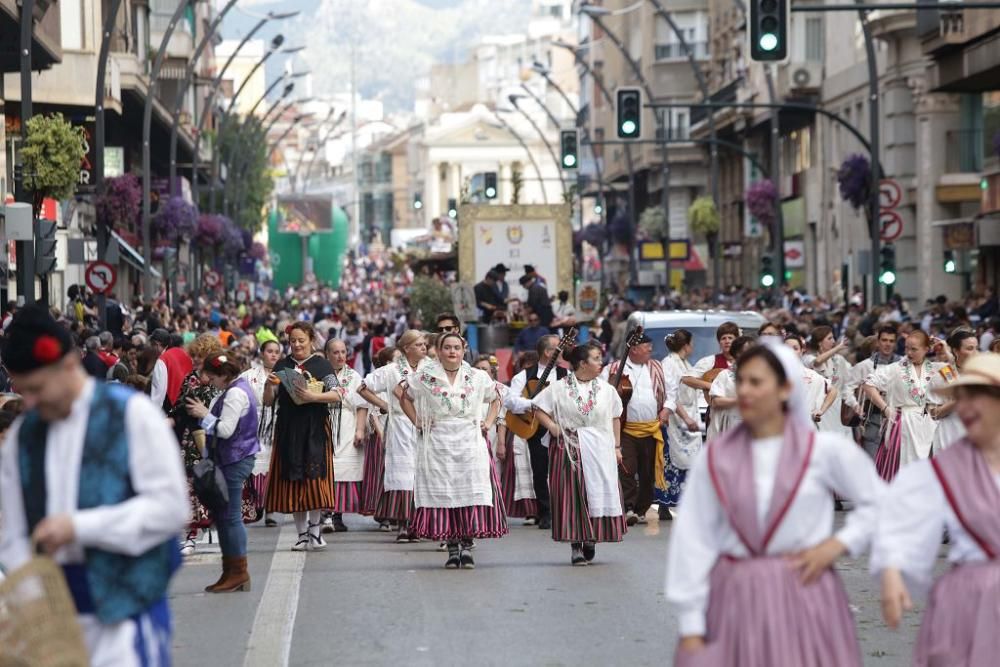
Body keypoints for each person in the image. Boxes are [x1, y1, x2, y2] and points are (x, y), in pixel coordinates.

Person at [665, 342, 884, 666]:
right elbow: (692, 538)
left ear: (784, 389)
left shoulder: (821, 451)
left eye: (757, 382)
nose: (745, 391)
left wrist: (838, 544)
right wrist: (692, 622)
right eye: (741, 381)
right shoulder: (718, 455)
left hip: (805, 588)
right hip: (736, 592)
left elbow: (878, 502)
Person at [0, 305, 188, 664]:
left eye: (37, 389)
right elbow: (14, 535)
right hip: (54, 623)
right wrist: (29, 607)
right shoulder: (24, 437)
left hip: (125, 618)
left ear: (69, 365)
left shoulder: (132, 415)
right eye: (24, 391)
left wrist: (80, 527)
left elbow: (171, 508)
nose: (31, 402)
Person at [873, 352, 1000, 666]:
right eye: (963, 398)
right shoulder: (943, 468)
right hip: (969, 592)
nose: (967, 407)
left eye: (978, 398)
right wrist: (891, 574)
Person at [399, 333, 508, 569]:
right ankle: (451, 547)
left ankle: (467, 547)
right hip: (438, 442)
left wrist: (488, 423)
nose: (452, 352)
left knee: (468, 492)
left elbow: (496, 397)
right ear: (438, 351)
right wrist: (417, 421)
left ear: (463, 350)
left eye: (456, 348)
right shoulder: (425, 377)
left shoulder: (477, 376)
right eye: (447, 347)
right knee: (445, 494)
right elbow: (404, 397)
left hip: (469, 440)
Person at [532, 342, 627, 566]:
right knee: (572, 494)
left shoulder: (607, 389)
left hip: (600, 446)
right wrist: (553, 427)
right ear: (582, 363)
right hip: (570, 446)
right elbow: (537, 408)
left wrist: (616, 447)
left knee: (597, 492)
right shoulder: (559, 387)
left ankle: (591, 536)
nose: (600, 362)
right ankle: (575, 544)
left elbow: (615, 417)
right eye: (596, 358)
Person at [263, 322, 342, 552]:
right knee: (294, 479)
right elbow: (269, 400)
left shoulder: (322, 364)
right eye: (293, 341)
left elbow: (337, 394)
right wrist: (269, 387)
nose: (297, 345)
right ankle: (300, 534)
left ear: (311, 341)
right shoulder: (282, 364)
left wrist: (311, 397)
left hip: (315, 428)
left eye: (301, 340)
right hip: (289, 428)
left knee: (315, 480)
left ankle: (316, 532)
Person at [184, 352, 259, 593]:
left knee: (231, 518)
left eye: (212, 375)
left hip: (234, 460)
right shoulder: (238, 388)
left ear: (224, 375)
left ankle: (237, 571)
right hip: (233, 459)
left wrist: (204, 415)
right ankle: (232, 570)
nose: (209, 379)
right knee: (227, 517)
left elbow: (225, 430)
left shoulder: (235, 393)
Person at [357, 330, 429, 542]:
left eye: (425, 344)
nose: (424, 348)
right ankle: (403, 524)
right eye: (418, 344)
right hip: (400, 424)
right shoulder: (391, 370)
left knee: (423, 472)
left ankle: (419, 523)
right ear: (406, 348)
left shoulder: (431, 368)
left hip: (424, 424)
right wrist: (384, 405)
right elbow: (362, 387)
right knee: (403, 472)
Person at [602, 332, 667, 526]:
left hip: (651, 427)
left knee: (648, 473)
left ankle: (641, 509)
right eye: (647, 346)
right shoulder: (612, 369)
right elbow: (603, 392)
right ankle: (628, 507)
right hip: (625, 428)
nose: (650, 350)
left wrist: (667, 410)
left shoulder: (657, 367)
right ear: (634, 349)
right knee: (627, 469)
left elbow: (671, 393)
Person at [504, 334, 568, 530]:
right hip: (536, 427)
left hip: (560, 427)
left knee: (564, 470)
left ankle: (564, 510)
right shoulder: (524, 375)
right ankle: (545, 511)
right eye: (558, 348)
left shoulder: (566, 374)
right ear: (549, 352)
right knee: (540, 471)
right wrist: (534, 404)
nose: (562, 351)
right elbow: (510, 400)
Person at [170, 333, 225, 556]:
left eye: (199, 357)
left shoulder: (221, 377)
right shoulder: (190, 378)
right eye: (194, 356)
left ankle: (221, 529)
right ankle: (191, 535)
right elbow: (180, 407)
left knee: (217, 485)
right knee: (190, 487)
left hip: (216, 437)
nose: (194, 361)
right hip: (191, 440)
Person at [863, 330, 943, 481]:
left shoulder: (936, 369)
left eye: (914, 349)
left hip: (929, 423)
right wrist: (885, 408)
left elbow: (955, 375)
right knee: (900, 469)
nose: (909, 352)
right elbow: (868, 384)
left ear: (926, 349)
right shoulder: (896, 368)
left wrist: (945, 349)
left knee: (928, 470)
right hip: (903, 423)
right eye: (907, 348)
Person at [660, 329, 703, 519]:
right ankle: (664, 503)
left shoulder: (686, 364)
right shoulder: (669, 364)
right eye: (691, 343)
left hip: (690, 413)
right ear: (686, 345)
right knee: (672, 461)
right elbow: (671, 395)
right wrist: (685, 417)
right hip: (676, 418)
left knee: (691, 461)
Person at [323, 338, 364, 533]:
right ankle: (325, 514)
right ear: (327, 354)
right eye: (335, 352)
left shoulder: (354, 376)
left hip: (348, 422)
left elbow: (362, 404)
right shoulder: (319, 373)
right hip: (325, 421)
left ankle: (337, 514)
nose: (340, 356)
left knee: (343, 471)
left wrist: (360, 430)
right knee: (325, 468)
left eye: (343, 352)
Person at [240, 337, 282, 526]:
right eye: (269, 351)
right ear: (262, 353)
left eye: (276, 352)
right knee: (255, 464)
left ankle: (271, 510)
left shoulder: (286, 374)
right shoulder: (248, 375)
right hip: (254, 422)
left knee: (273, 465)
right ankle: (256, 504)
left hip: (277, 422)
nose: (273, 354)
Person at [845, 323, 900, 458]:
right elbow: (847, 389)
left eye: (891, 341)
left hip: (897, 419)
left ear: (895, 343)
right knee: (872, 462)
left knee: (894, 465)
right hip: (872, 419)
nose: (888, 344)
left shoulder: (903, 364)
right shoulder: (864, 366)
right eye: (884, 340)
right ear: (878, 342)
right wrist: (856, 405)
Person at [359, 346, 398, 528]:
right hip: (382, 435)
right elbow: (373, 412)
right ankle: (383, 514)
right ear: (388, 363)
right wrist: (383, 435)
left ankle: (398, 512)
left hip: (399, 433)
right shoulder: (380, 382)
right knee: (382, 476)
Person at [928, 328, 979, 455]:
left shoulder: (982, 374)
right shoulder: (945, 374)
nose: (975, 353)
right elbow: (933, 413)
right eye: (969, 348)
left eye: (976, 348)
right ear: (956, 351)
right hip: (950, 439)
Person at [804, 326, 853, 440]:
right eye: (829, 338)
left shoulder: (839, 359)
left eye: (833, 338)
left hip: (837, 406)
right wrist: (838, 347)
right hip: (820, 406)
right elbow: (817, 362)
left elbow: (852, 375)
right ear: (820, 342)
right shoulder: (808, 358)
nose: (833, 341)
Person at [785, 334, 838, 429]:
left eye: (795, 348)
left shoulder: (811, 375)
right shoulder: (771, 375)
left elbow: (833, 390)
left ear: (801, 351)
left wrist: (821, 410)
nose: (790, 351)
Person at [706, 336, 754, 438]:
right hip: (727, 427)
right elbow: (715, 402)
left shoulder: (759, 377)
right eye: (746, 352)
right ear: (736, 354)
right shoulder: (725, 375)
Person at [149, 327, 193, 413]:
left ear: (157, 344)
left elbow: (159, 391)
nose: (151, 349)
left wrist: (153, 413)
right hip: (188, 403)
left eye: (152, 345)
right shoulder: (182, 352)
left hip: (171, 405)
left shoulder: (162, 360)